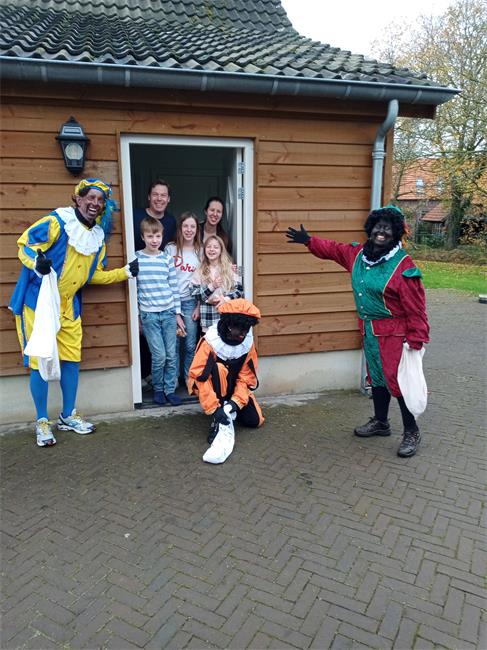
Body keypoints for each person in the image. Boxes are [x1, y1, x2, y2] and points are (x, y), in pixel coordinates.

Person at [286, 205, 430, 458]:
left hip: (396, 335)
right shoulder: (358, 255)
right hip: (370, 332)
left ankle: (412, 431)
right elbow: (333, 249)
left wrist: (416, 339)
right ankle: (381, 422)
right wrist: (309, 241)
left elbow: (416, 309)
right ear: (370, 229)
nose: (381, 231)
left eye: (387, 228)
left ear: (396, 233)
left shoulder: (403, 266)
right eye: (378, 226)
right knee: (376, 378)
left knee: (399, 382)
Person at [9, 178, 139, 448]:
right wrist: (37, 263)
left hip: (69, 305)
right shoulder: (58, 221)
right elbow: (25, 244)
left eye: (100, 200)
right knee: (41, 360)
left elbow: (94, 275)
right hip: (40, 302)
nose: (95, 203)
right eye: (90, 198)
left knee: (71, 359)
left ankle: (68, 415)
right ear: (78, 199)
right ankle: (42, 421)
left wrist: (124, 273)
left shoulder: (97, 239)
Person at [188, 298, 264, 443]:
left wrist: (235, 403)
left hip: (235, 388)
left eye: (247, 329)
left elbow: (246, 377)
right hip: (215, 387)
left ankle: (229, 409)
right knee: (218, 369)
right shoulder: (210, 342)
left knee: (254, 420)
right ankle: (217, 419)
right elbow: (199, 378)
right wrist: (214, 409)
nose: (243, 334)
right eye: (240, 329)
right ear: (229, 324)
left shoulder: (247, 344)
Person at [135, 217, 186, 407]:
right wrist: (137, 316)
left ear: (162, 236)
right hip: (149, 316)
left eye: (157, 236)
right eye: (150, 236)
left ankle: (169, 390)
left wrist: (177, 313)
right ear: (143, 237)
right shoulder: (137, 258)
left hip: (168, 313)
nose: (154, 240)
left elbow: (173, 287)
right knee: (159, 356)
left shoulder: (166, 259)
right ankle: (158, 389)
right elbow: (135, 290)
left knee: (171, 355)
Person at [133, 179, 176, 385]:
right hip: (146, 299)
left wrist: (176, 311)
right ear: (149, 197)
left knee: (168, 353)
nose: (159, 198)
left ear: (168, 199)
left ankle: (166, 386)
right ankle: (147, 379)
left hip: (164, 301)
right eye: (156, 194)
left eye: (163, 195)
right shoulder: (136, 217)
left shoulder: (171, 221)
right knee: (152, 347)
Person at [164, 212, 202, 385]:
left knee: (190, 344)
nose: (189, 230)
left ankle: (188, 378)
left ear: (197, 229)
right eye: (185, 226)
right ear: (180, 228)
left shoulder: (200, 251)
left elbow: (203, 280)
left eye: (192, 226)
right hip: (172, 302)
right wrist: (172, 308)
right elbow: (164, 277)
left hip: (191, 302)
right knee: (174, 345)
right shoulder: (171, 249)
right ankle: (173, 381)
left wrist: (198, 306)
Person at [191, 235, 243, 333]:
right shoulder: (199, 270)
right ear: (204, 250)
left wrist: (226, 299)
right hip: (208, 319)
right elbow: (194, 294)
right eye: (209, 247)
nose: (212, 249)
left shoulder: (230, 268)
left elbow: (239, 290)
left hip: (228, 318)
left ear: (221, 250)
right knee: (209, 343)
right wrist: (211, 287)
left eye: (216, 247)